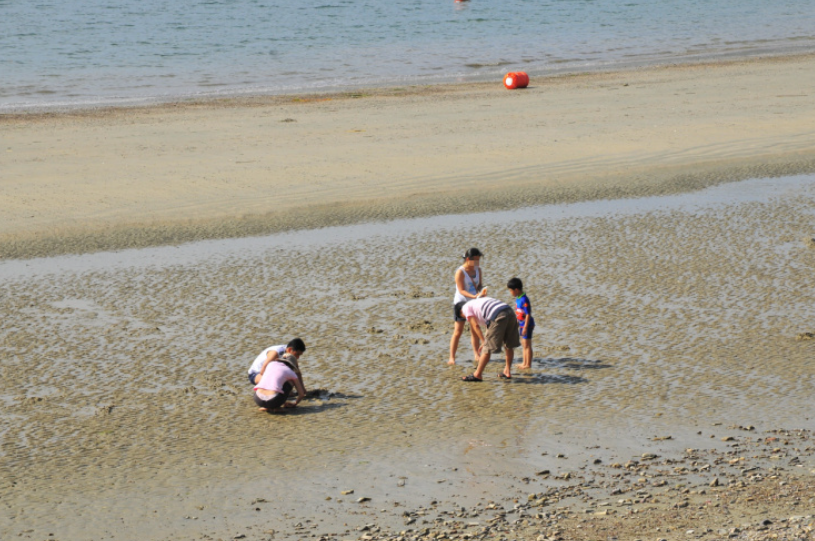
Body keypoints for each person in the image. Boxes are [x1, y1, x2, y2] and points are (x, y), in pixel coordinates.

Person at [457, 296, 520, 381]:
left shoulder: (465, 308)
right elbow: (489, 325)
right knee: (508, 345)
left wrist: (483, 342)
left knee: (487, 348)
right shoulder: (476, 303)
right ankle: (507, 371)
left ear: (461, 312)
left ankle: (477, 375)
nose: (466, 319)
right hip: (509, 311)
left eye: (463, 317)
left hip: (498, 314)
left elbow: (475, 326)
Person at [448, 248, 487, 365]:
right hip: (461, 303)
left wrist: (481, 292)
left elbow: (479, 285)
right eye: (476, 260)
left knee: (474, 329)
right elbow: (461, 290)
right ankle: (452, 357)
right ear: (468, 259)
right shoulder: (460, 272)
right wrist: (474, 296)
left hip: (474, 302)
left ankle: (476, 354)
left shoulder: (478, 270)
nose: (478, 263)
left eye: (479, 260)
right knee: (458, 331)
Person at [507, 277, 535, 369]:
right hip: (521, 324)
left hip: (527, 324)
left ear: (516, 290)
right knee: (524, 344)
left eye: (511, 290)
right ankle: (524, 362)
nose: (510, 293)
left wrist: (526, 327)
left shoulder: (524, 299)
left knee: (527, 345)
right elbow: (518, 313)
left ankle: (528, 364)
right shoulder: (518, 298)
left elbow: (528, 314)